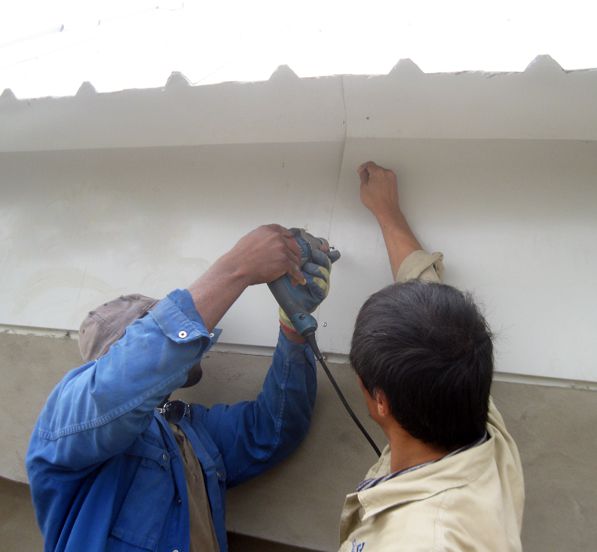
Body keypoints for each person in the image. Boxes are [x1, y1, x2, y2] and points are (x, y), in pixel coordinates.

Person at [26, 224, 334, 552]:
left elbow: (271, 431)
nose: (193, 334)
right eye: (155, 326)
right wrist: (237, 268)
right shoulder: (68, 422)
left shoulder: (188, 430)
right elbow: (120, 382)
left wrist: (292, 327)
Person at [338, 162, 525, 551]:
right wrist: (388, 212)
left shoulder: (423, 540)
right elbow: (427, 299)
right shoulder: (479, 424)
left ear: (380, 400)